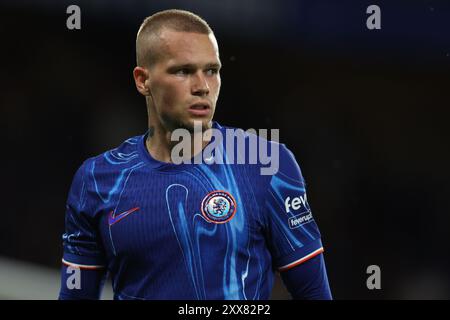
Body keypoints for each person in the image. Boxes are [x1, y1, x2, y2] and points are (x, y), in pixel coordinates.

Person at [59, 9, 332, 300]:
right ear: (143, 80)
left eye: (211, 71)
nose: (202, 86)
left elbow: (313, 292)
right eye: (183, 71)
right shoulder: (97, 180)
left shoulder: (265, 164)